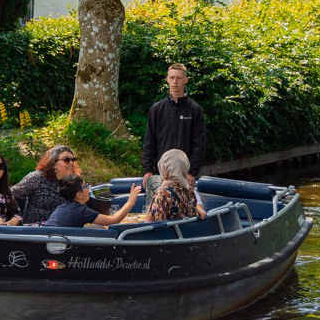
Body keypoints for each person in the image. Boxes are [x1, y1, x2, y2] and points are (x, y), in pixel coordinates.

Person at [142, 63, 206, 204]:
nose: (175, 82)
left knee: (186, 210)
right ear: (167, 79)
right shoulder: (156, 109)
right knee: (158, 211)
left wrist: (192, 173)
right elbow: (149, 142)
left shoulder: (195, 110)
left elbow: (199, 145)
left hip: (185, 174)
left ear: (186, 80)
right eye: (172, 78)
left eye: (178, 78)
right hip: (161, 175)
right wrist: (148, 171)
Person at [11, 145, 82, 224]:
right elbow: (10, 195)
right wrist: (17, 217)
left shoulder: (74, 182)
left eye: (73, 159)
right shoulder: (37, 178)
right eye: (66, 159)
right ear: (53, 163)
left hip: (64, 229)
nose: (71, 163)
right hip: (36, 231)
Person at [45, 175, 141, 228]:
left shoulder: (61, 207)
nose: (89, 189)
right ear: (79, 195)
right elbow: (113, 220)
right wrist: (130, 202)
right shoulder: (81, 211)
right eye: (85, 186)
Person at [145, 149, 207, 223]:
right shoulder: (190, 192)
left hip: (167, 234)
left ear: (164, 168)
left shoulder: (163, 193)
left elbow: (151, 225)